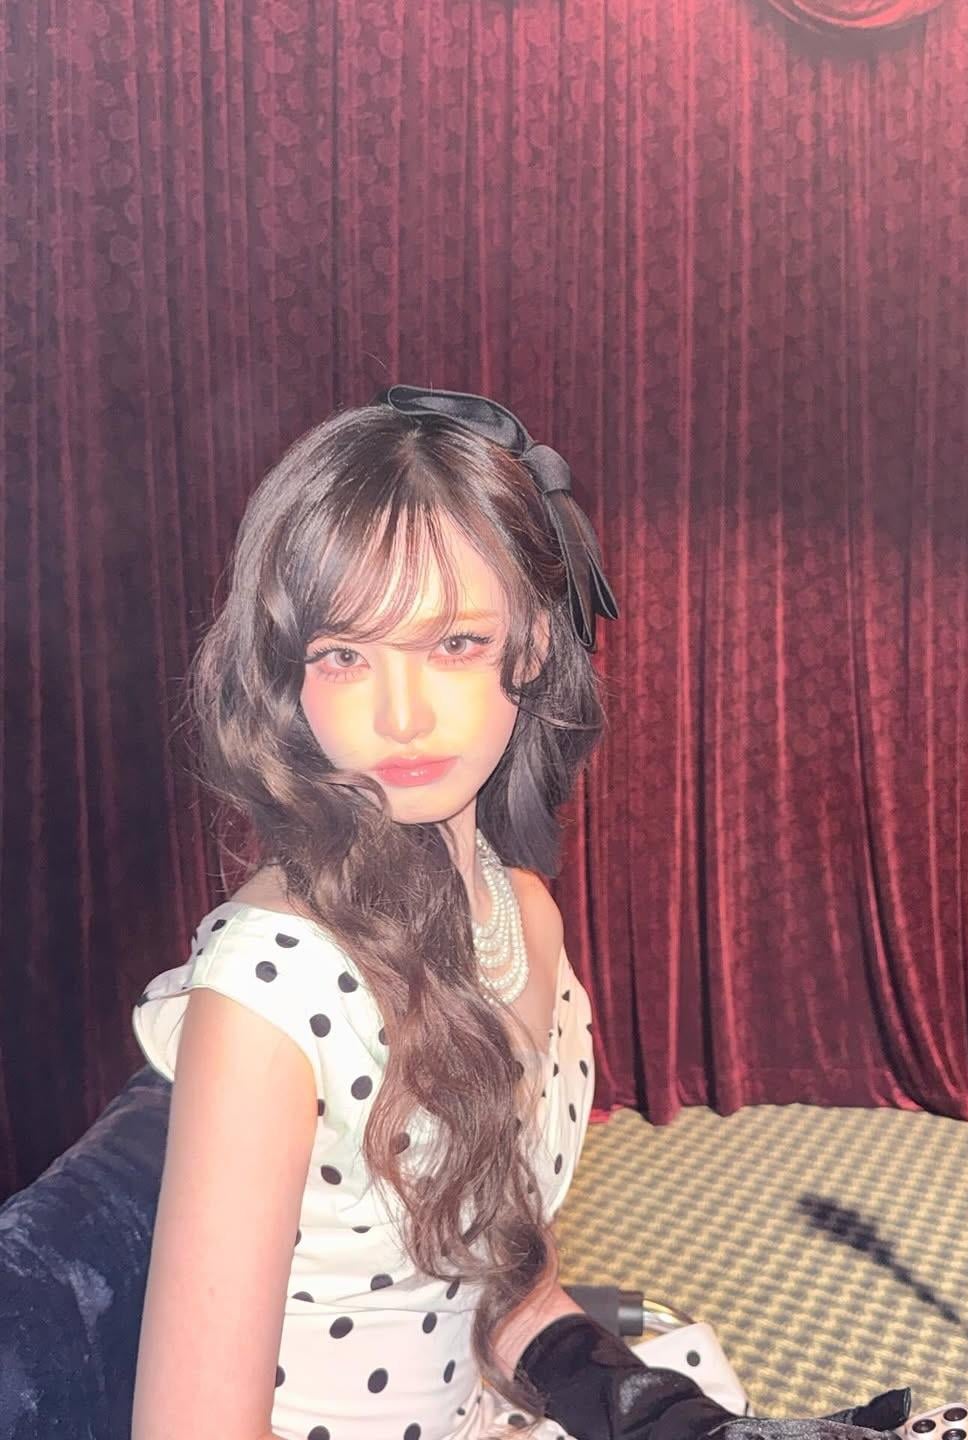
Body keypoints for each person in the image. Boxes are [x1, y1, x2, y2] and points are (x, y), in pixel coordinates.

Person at [129, 386, 911, 1440]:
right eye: (344, 655)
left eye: (453, 643)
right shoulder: (267, 989)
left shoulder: (522, 913)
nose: (400, 715)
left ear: (533, 644)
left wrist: (665, 1418)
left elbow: (507, 1293)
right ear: (288, 677)